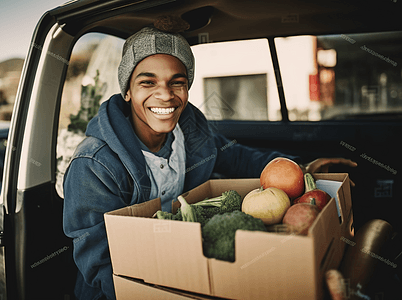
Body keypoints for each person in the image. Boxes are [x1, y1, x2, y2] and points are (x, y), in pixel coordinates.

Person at [63, 21, 356, 300]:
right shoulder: (94, 164)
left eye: (177, 82)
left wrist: (300, 167)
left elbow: (239, 158)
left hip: (190, 266)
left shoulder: (191, 133)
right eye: (147, 83)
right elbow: (99, 262)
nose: (165, 94)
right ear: (127, 91)